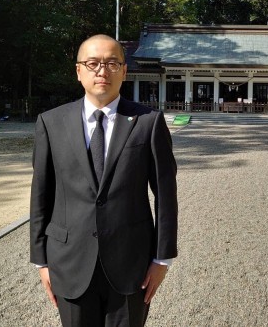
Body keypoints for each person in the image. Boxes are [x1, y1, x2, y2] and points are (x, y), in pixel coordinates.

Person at [30, 34, 178, 326]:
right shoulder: (51, 122)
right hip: (69, 260)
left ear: (124, 70)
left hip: (131, 262)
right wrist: (41, 260)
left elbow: (165, 194)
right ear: (79, 71)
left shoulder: (148, 122)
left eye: (112, 63)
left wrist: (163, 258)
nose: (102, 71)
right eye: (93, 63)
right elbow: (41, 193)